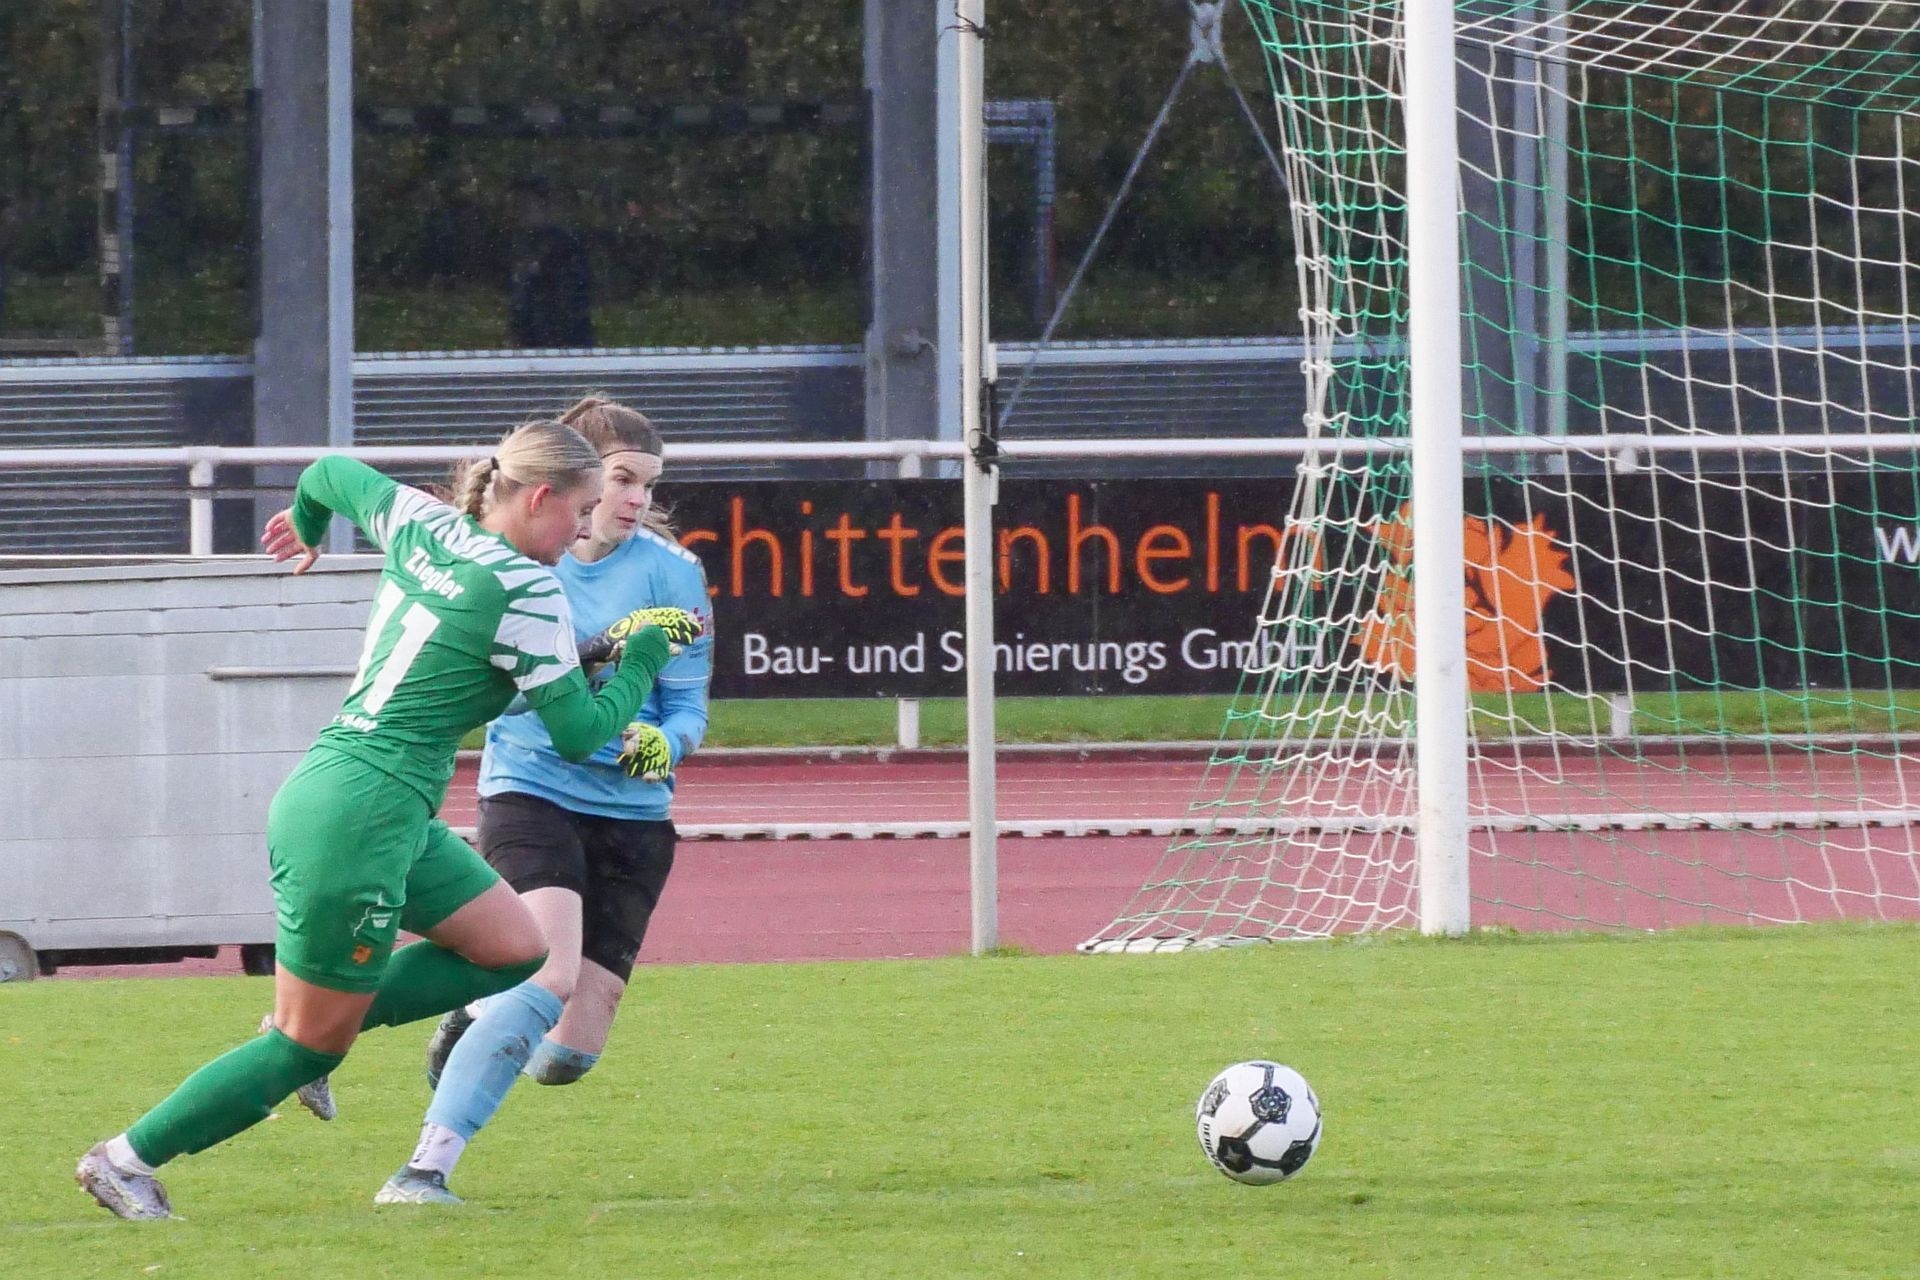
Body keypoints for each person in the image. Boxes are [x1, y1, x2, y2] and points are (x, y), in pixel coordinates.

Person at [75, 419, 703, 1220]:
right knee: (305, 1044)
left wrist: (306, 525)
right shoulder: (528, 588)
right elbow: (581, 733)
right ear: (540, 497)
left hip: (364, 795)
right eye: (579, 512)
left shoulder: (424, 520)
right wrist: (643, 657)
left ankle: (313, 1030)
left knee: (514, 948)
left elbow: (329, 472)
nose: (583, 531)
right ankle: (124, 1160)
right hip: (361, 818)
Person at [375, 397, 714, 1205]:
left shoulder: (675, 570)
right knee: (549, 975)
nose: (636, 499)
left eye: (648, 484)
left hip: (633, 815)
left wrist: (668, 744)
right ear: (575, 483)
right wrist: (604, 656)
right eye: (622, 480)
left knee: (565, 1057)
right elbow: (509, 697)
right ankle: (423, 1169)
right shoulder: (525, 565)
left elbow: (690, 703)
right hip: (532, 792)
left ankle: (475, 1008)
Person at [506, 176, 596, 349]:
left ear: (543, 205)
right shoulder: (521, 243)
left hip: (561, 347)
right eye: (516, 206)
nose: (517, 214)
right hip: (532, 346)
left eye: (524, 206)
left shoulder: (564, 246)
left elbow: (570, 304)